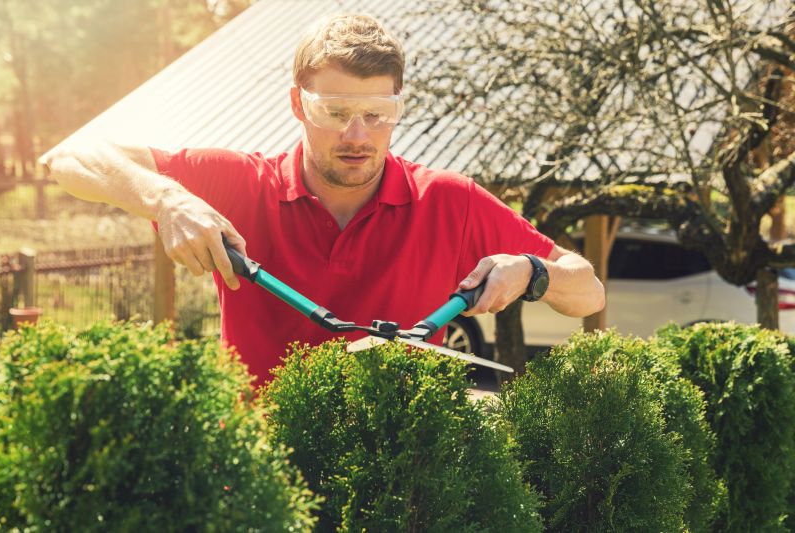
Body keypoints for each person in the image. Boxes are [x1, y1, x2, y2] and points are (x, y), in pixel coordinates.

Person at [42, 14, 605, 383]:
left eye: (378, 115)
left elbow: (587, 289)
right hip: (263, 482)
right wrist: (168, 200)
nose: (358, 136)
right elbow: (70, 156)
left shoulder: (449, 202)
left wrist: (532, 270)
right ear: (297, 104)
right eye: (335, 114)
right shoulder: (239, 184)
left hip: (400, 483)